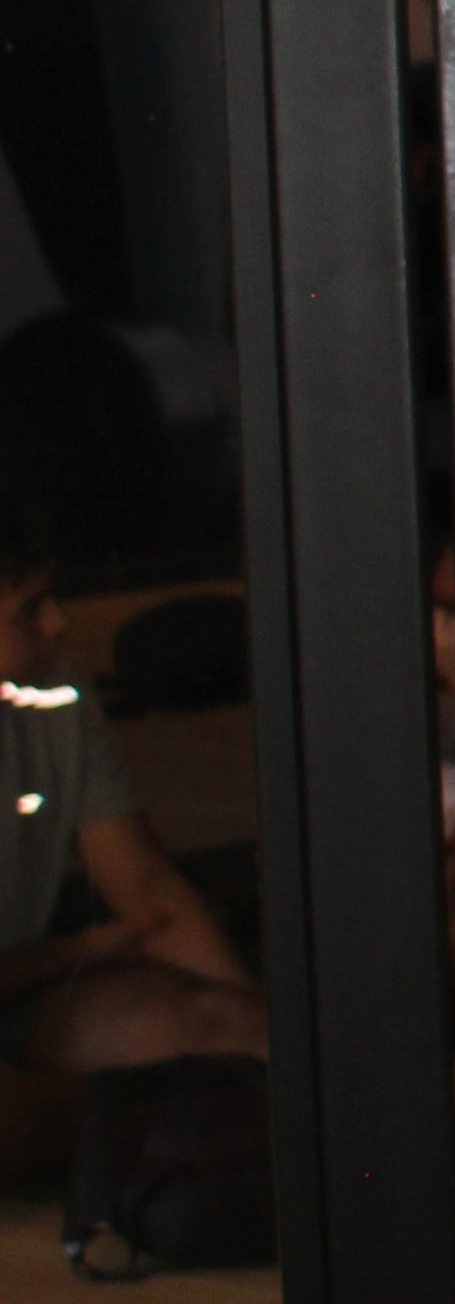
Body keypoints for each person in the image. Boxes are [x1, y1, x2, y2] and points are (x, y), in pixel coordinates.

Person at [0, 498, 257, 1181]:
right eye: (30, 608)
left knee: (198, 1019)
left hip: (22, 1004)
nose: (58, 623)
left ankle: (430, 1107)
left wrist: (249, 1030)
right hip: (29, 994)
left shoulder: (56, 708)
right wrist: (83, 948)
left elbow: (149, 895)